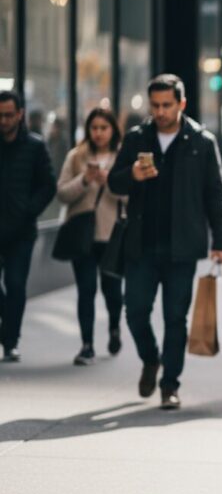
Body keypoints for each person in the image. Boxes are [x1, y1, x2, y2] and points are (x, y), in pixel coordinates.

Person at [108, 74, 222, 410]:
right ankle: (150, 358)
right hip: (141, 245)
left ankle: (169, 385)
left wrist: (221, 239)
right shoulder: (136, 138)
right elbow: (113, 183)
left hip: (182, 247)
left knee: (176, 319)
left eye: (167, 105)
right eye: (155, 105)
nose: (160, 111)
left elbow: (215, 194)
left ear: (181, 104)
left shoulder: (202, 142)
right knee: (135, 313)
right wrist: (131, 175)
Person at [55, 107, 127, 365]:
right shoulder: (76, 156)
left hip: (111, 237)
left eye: (103, 128)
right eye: (94, 128)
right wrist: (84, 180)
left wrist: (110, 181)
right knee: (86, 290)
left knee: (112, 291)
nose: (98, 133)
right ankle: (86, 345)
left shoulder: (122, 157)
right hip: (82, 235)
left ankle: (114, 328)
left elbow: (131, 196)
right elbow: (62, 193)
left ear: (112, 130)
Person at [0, 90, 57, 363]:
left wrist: (29, 210)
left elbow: (48, 185)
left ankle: (11, 341)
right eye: (0, 116)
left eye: (9, 115)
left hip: (21, 232)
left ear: (20, 114)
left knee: (15, 284)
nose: (3, 121)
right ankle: (6, 331)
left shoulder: (35, 146)